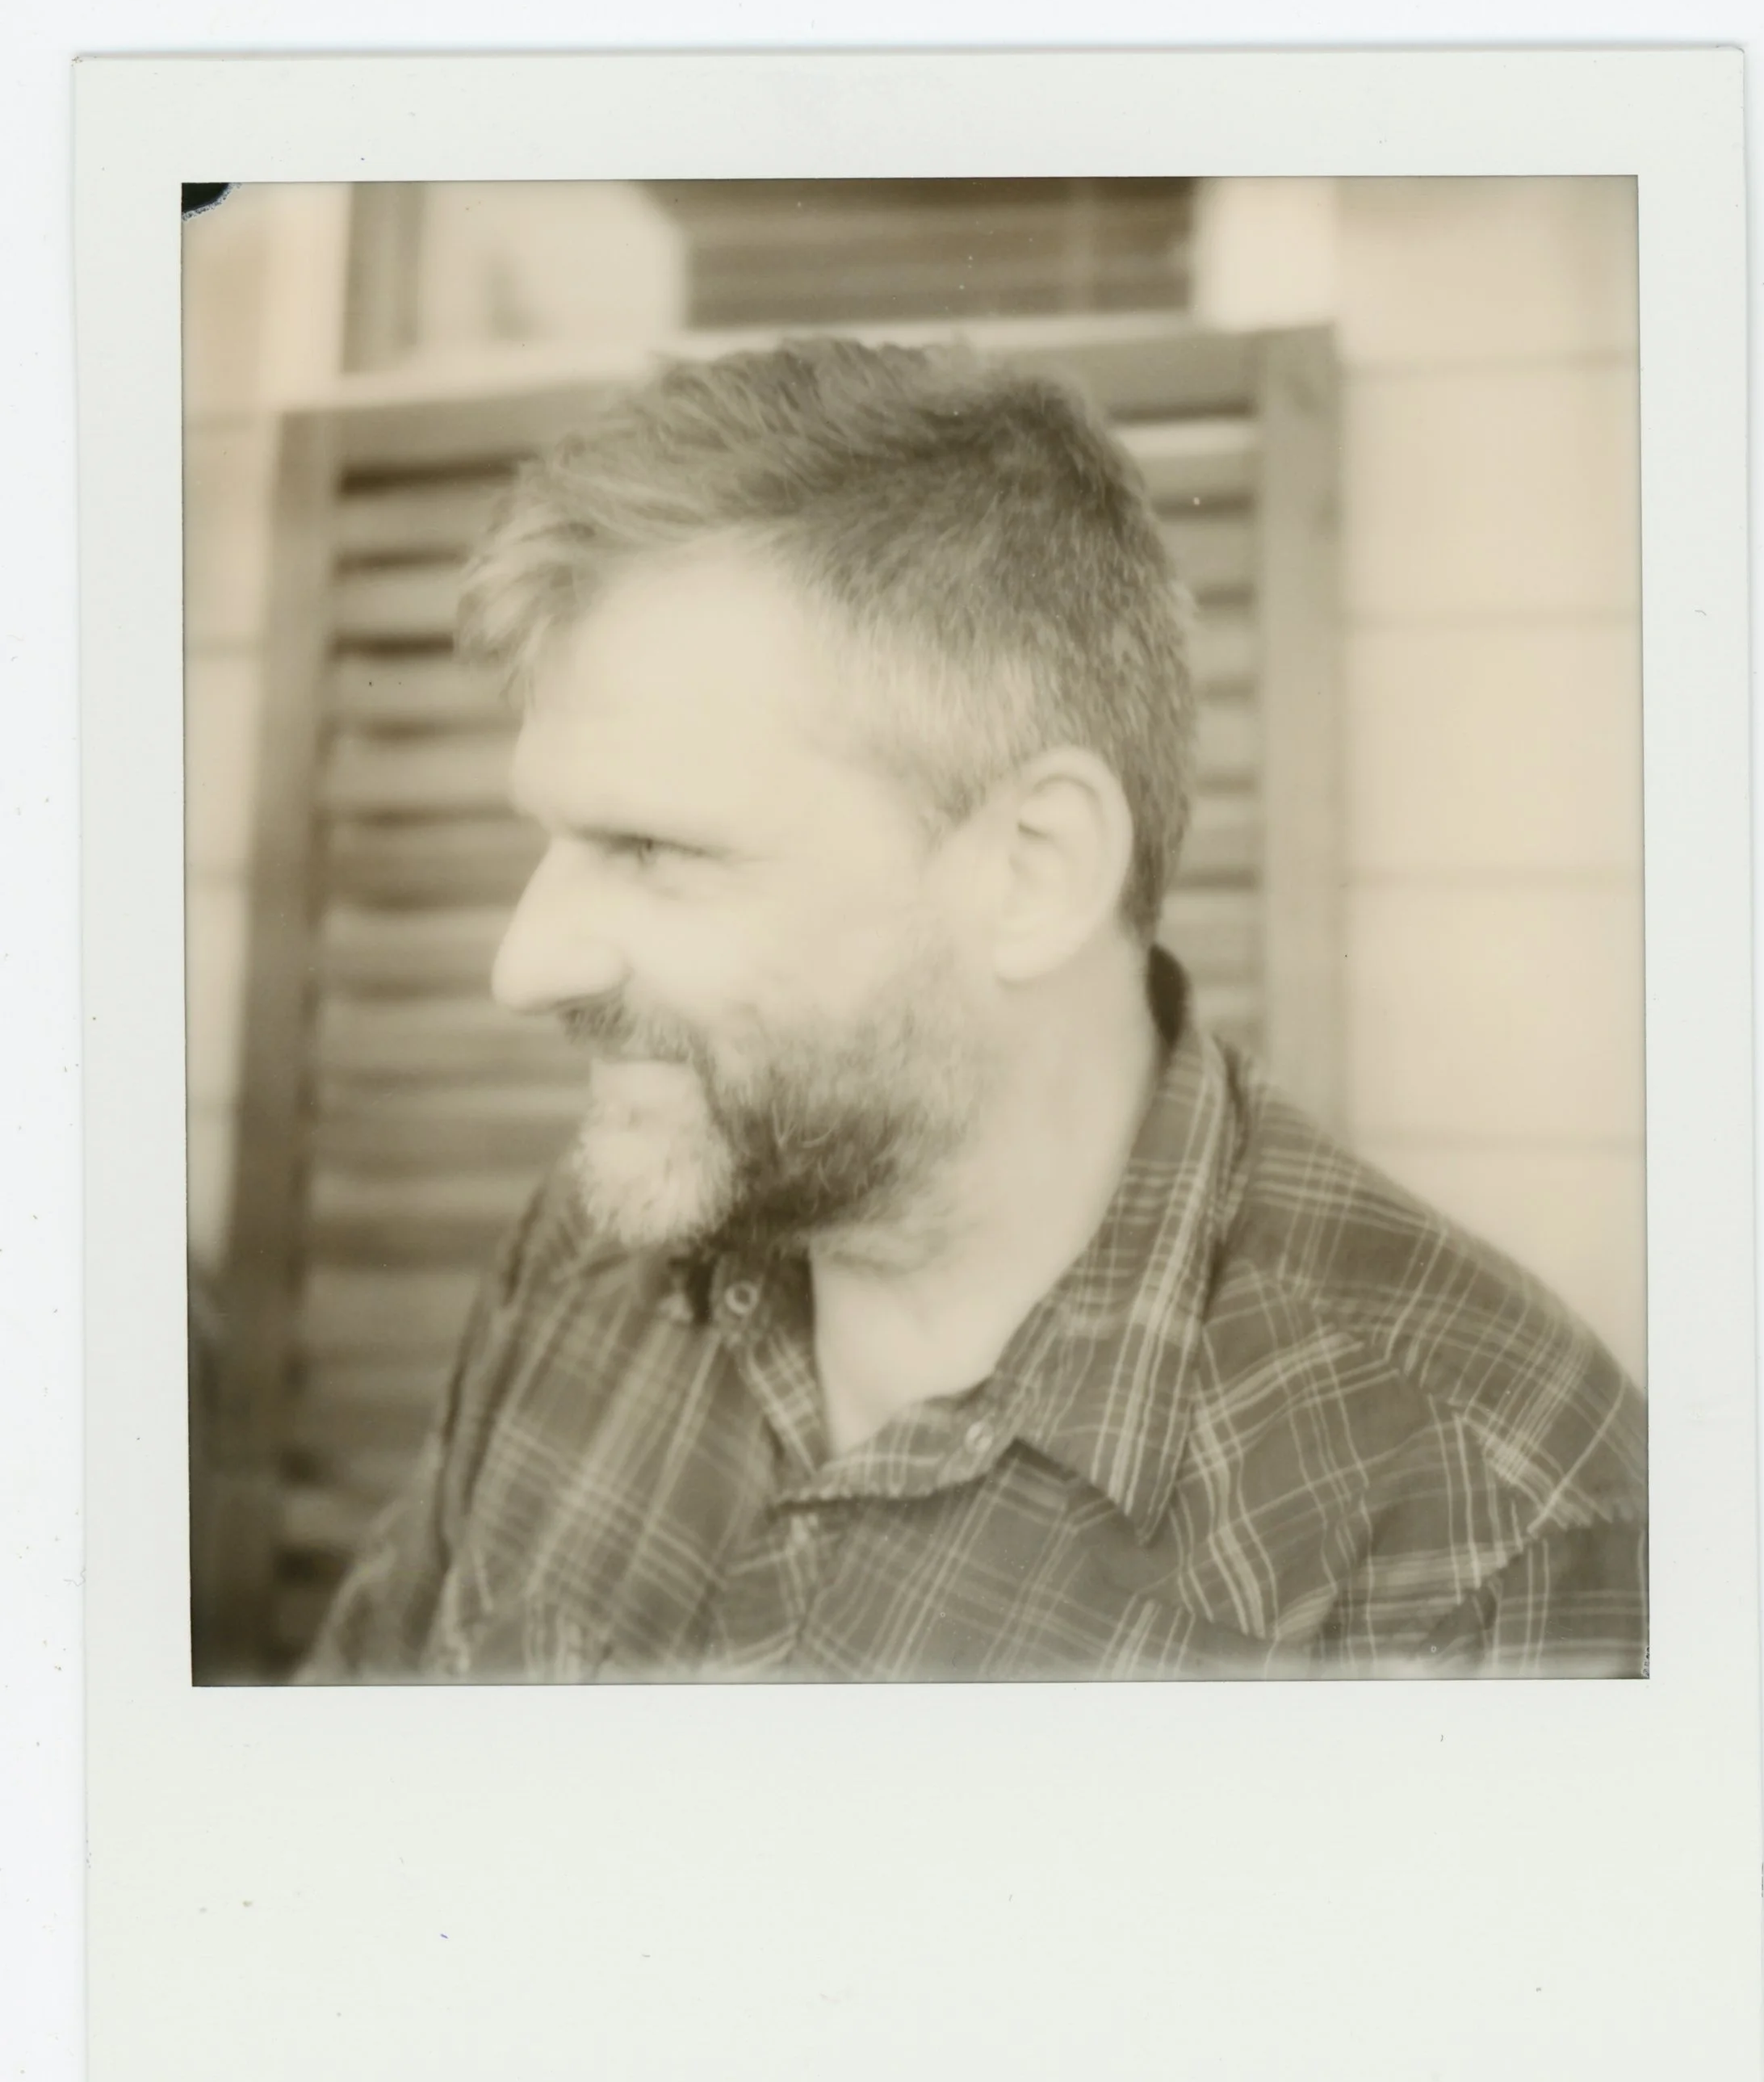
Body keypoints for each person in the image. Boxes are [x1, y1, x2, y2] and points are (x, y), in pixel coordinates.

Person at [300, 337, 1647, 1686]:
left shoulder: (1482, 1524)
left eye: (652, 849)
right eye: (553, 841)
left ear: (1033, 872)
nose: (523, 966)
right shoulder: (590, 1255)